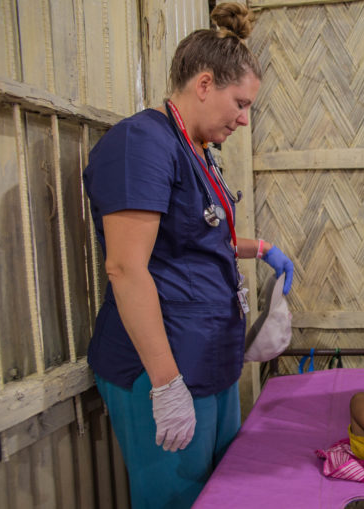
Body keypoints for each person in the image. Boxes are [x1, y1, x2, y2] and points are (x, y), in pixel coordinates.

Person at [82, 4, 294, 508]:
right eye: (239, 104)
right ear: (204, 85)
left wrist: (260, 249)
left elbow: (198, 235)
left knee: (218, 493)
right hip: (160, 367)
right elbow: (126, 267)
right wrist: (166, 384)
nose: (244, 119)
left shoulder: (198, 150)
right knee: (175, 499)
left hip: (208, 360)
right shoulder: (141, 143)